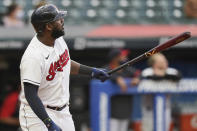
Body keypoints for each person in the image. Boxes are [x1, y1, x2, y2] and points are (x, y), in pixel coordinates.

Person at [19, 4, 109, 131]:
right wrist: (48, 122)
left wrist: (92, 71)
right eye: (58, 19)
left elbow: (65, 63)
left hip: (63, 111)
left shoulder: (58, 39)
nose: (62, 21)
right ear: (48, 26)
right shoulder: (33, 56)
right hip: (38, 115)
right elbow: (30, 95)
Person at [140, 53, 181, 131]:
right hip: (149, 109)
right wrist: (161, 75)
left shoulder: (171, 71)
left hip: (166, 108)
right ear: (154, 64)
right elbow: (146, 77)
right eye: (161, 62)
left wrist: (163, 74)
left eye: (165, 61)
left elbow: (178, 76)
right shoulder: (147, 71)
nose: (165, 63)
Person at [106, 49, 140, 131]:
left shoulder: (127, 69)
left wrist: (137, 79)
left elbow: (140, 74)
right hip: (111, 111)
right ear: (115, 58)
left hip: (126, 108)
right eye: (122, 56)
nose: (125, 58)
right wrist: (116, 78)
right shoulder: (107, 68)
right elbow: (103, 75)